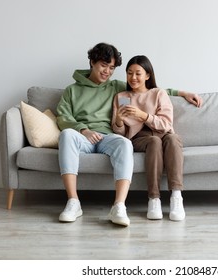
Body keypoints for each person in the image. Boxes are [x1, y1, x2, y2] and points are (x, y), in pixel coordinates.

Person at [56, 43, 202, 227]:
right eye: (103, 65)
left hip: (108, 137)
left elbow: (148, 89)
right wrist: (83, 130)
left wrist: (183, 93)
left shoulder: (115, 87)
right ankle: (73, 202)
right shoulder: (72, 90)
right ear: (92, 62)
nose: (107, 72)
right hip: (83, 136)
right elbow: (62, 116)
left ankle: (119, 206)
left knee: (126, 143)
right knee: (67, 134)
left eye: (111, 68)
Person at [112, 55, 186, 221]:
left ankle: (176, 197)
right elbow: (121, 135)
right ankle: (154, 198)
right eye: (129, 73)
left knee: (173, 139)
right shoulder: (122, 97)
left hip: (164, 134)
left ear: (148, 75)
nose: (133, 77)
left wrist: (144, 116)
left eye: (138, 73)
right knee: (154, 141)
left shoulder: (158, 93)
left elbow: (166, 124)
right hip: (140, 139)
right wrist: (118, 120)